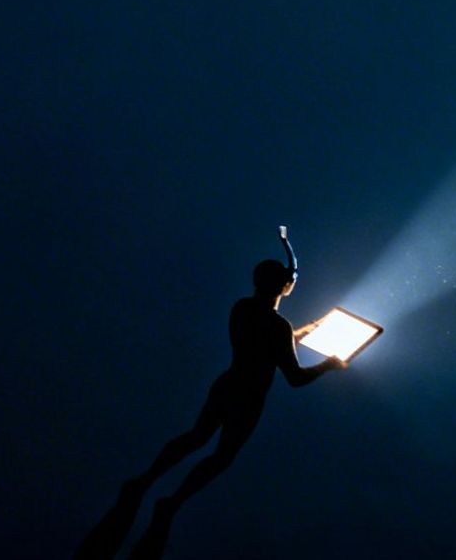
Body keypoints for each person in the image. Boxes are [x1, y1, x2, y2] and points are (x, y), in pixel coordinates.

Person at [77, 240, 344, 560]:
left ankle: (144, 480)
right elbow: (295, 377)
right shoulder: (278, 326)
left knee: (195, 437)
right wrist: (330, 364)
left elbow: (265, 342)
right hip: (249, 398)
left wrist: (302, 332)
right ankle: (172, 502)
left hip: (227, 385)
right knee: (222, 455)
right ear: (284, 286)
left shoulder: (243, 308)